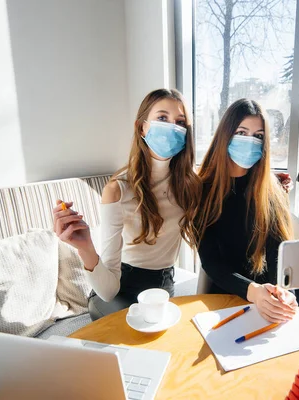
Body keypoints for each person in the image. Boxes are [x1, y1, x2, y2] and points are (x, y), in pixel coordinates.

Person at [52, 88, 201, 320]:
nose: (172, 127)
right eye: (162, 118)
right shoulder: (118, 189)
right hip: (119, 287)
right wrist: (86, 247)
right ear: (142, 128)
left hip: (162, 285)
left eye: (180, 122)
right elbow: (109, 291)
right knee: (136, 331)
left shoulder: (191, 186)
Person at [196, 98, 299, 324]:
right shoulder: (203, 191)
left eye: (258, 136)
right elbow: (211, 261)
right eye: (242, 132)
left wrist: (282, 292)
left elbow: (279, 252)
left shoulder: (271, 190)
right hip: (228, 295)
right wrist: (253, 291)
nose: (250, 142)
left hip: (272, 297)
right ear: (225, 135)